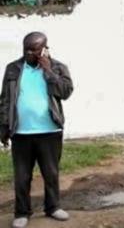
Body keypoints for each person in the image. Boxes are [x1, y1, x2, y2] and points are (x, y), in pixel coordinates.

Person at [0, 32, 73, 228]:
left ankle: (53, 207)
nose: (29, 53)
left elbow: (65, 92)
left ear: (44, 49)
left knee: (51, 173)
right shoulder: (13, 69)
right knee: (22, 176)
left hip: (49, 131)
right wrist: (4, 127)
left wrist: (49, 71)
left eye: (33, 50)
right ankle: (22, 212)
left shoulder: (57, 67)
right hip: (21, 133)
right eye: (26, 49)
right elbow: (5, 100)